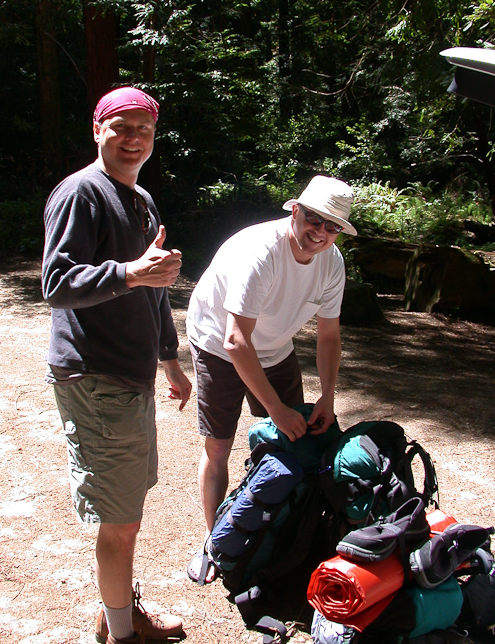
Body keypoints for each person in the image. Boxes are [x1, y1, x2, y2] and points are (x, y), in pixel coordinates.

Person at [42, 86, 192, 644]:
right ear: (98, 130)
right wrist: (129, 272)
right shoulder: (81, 193)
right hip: (95, 373)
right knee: (121, 516)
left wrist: (170, 359)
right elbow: (57, 283)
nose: (133, 139)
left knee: (126, 504)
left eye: (144, 130)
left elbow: (152, 289)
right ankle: (124, 634)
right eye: (121, 127)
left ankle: (117, 611)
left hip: (130, 375)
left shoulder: (142, 200)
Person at [185, 174, 356, 583]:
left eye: (332, 226)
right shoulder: (260, 252)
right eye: (315, 218)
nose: (320, 232)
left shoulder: (331, 264)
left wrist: (327, 397)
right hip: (217, 343)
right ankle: (215, 542)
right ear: (295, 210)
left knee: (297, 441)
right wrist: (276, 409)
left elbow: (329, 336)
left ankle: (275, 522)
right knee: (220, 445)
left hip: (275, 347)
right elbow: (235, 340)